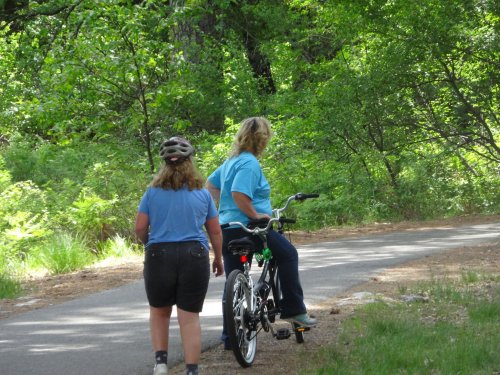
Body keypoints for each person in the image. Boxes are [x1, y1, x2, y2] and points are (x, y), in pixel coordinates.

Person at [206, 116, 317, 350]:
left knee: (234, 280)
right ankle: (295, 309)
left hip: (227, 228)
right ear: (262, 139)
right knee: (288, 254)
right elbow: (239, 193)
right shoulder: (249, 163)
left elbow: (211, 184)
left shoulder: (231, 162)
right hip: (250, 227)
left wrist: (225, 208)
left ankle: (230, 337)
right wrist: (255, 215)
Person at [135, 136, 224, 375]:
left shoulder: (152, 193)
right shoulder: (203, 194)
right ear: (190, 162)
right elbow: (214, 230)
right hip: (193, 255)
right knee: (189, 316)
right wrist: (218, 258)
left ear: (164, 164)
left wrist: (149, 245)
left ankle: (161, 364)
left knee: (159, 311)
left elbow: (140, 227)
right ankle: (192, 370)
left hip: (159, 254)